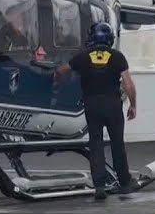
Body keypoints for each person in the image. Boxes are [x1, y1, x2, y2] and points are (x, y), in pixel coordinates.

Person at [54, 21, 136, 200]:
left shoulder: (82, 57)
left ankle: (99, 186)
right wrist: (133, 105)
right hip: (113, 105)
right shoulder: (117, 57)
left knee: (96, 144)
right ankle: (124, 182)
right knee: (117, 144)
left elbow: (62, 70)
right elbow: (128, 84)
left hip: (92, 104)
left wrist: (56, 80)